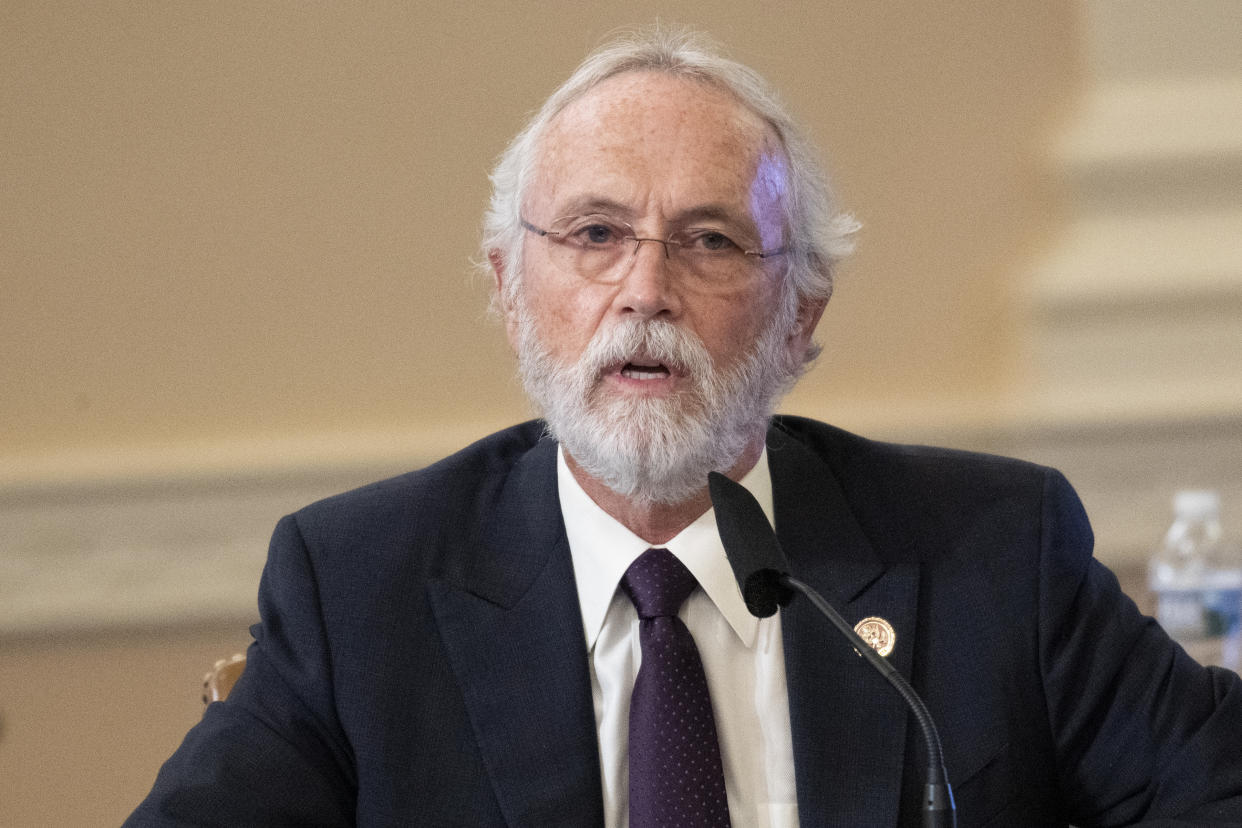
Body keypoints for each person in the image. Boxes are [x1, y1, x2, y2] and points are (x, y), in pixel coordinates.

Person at [127, 29, 1242, 827]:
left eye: (710, 240)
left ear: (801, 312)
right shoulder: (360, 586)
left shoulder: (994, 553)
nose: (645, 290)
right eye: (596, 233)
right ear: (512, 290)